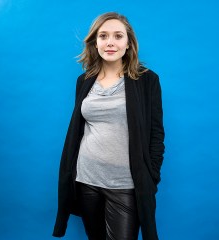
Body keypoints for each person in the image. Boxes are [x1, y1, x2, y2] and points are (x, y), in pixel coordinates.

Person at [52, 12, 165, 240]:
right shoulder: (84, 81)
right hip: (86, 180)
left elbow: (156, 135)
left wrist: (150, 176)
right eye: (103, 36)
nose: (110, 42)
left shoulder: (147, 80)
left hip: (125, 184)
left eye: (118, 36)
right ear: (95, 42)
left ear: (128, 43)